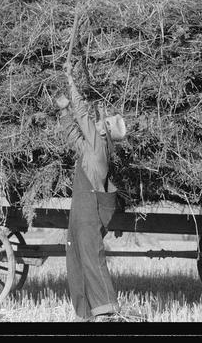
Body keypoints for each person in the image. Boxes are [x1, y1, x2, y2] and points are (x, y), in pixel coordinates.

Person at [56, 60, 128, 322]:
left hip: (88, 218)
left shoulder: (99, 150)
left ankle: (108, 309)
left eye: (103, 123)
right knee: (75, 262)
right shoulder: (89, 149)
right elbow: (73, 136)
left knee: (92, 259)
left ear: (105, 132)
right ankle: (85, 313)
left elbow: (83, 117)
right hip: (79, 216)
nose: (99, 122)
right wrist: (64, 112)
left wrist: (71, 81)